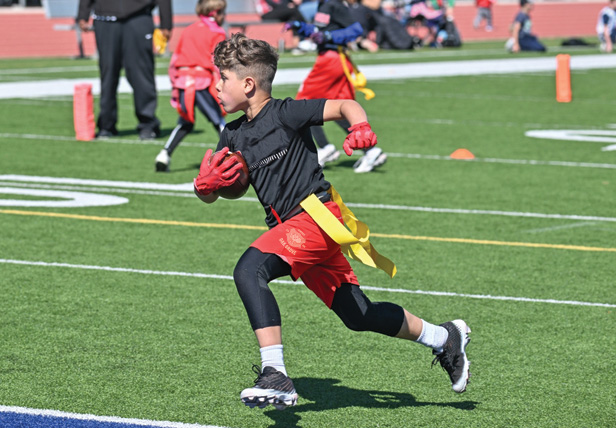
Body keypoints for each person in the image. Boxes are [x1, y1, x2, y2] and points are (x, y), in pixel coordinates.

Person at [193, 32, 472, 410]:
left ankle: (274, 373)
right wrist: (205, 187)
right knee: (358, 314)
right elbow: (231, 186)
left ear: (248, 83)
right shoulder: (232, 133)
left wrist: (360, 128)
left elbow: (344, 105)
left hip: (316, 219)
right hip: (292, 231)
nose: (216, 86)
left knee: (249, 271)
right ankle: (444, 337)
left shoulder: (286, 113)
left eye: (222, 78)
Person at [286, 0, 387, 172]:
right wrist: (301, 27)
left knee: (304, 103)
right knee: (338, 110)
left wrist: (330, 37)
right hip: (332, 60)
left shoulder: (334, 4)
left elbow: (356, 30)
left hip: (332, 60)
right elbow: (322, 30)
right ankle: (371, 151)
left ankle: (325, 147)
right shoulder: (324, 4)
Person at [76, 0, 172, 140]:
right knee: (108, 74)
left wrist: (166, 23)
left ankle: (148, 125)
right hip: (105, 20)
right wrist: (82, 14)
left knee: (141, 74)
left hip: (139, 18)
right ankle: (106, 126)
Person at [154, 0, 227, 172]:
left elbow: (175, 60)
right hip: (201, 82)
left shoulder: (189, 30)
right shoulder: (217, 32)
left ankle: (164, 154)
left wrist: (174, 83)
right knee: (218, 120)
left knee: (186, 122)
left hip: (182, 81)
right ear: (216, 12)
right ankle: (234, 154)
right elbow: (217, 62)